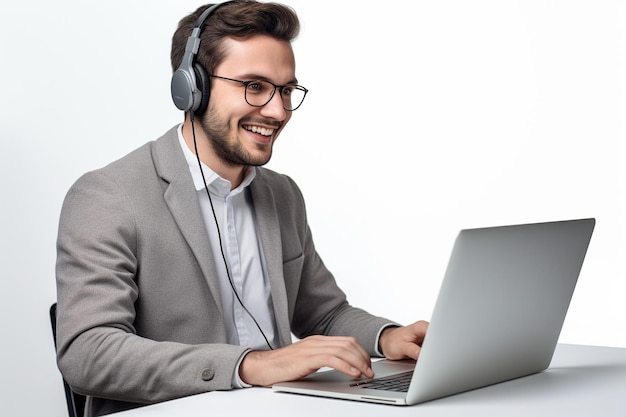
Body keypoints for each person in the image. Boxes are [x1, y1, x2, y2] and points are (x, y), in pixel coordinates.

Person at [55, 1, 428, 416]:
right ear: (191, 87)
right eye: (254, 86)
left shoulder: (282, 194)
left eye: (286, 90)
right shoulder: (108, 196)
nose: (277, 110)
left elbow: (323, 313)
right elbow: (86, 353)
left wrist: (388, 337)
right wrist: (251, 365)